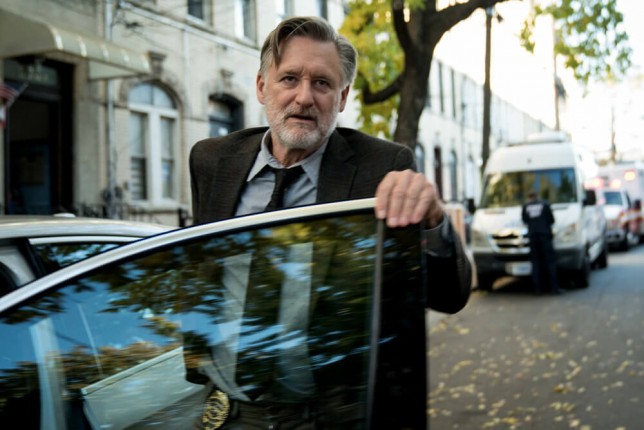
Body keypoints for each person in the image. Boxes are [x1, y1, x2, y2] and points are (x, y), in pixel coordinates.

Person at [188, 15, 471, 428]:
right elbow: (200, 274)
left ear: (342, 98)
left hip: (327, 417)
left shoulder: (382, 169)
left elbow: (449, 295)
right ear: (262, 86)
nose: (304, 97)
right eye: (289, 79)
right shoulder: (213, 161)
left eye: (322, 83)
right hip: (228, 412)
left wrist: (433, 222)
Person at [522, 190, 561, 295]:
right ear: (537, 196)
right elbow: (551, 220)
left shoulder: (526, 206)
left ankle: (537, 289)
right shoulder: (545, 205)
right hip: (545, 236)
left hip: (532, 237)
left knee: (535, 263)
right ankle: (554, 288)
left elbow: (525, 220)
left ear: (529, 197)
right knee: (550, 262)